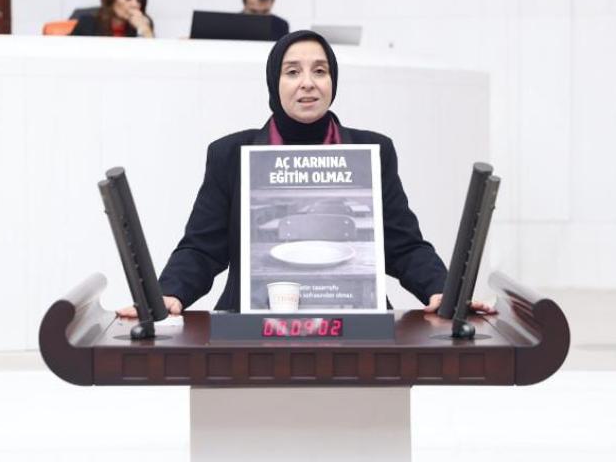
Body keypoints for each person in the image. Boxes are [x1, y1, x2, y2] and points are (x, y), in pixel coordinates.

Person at [118, 30, 495, 318]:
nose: (308, 83)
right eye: (292, 72)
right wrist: (167, 293)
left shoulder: (373, 151)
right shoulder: (230, 155)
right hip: (250, 328)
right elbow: (201, 248)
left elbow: (403, 245)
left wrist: (443, 291)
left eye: (320, 71)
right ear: (274, 82)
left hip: (356, 325)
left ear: (333, 81)